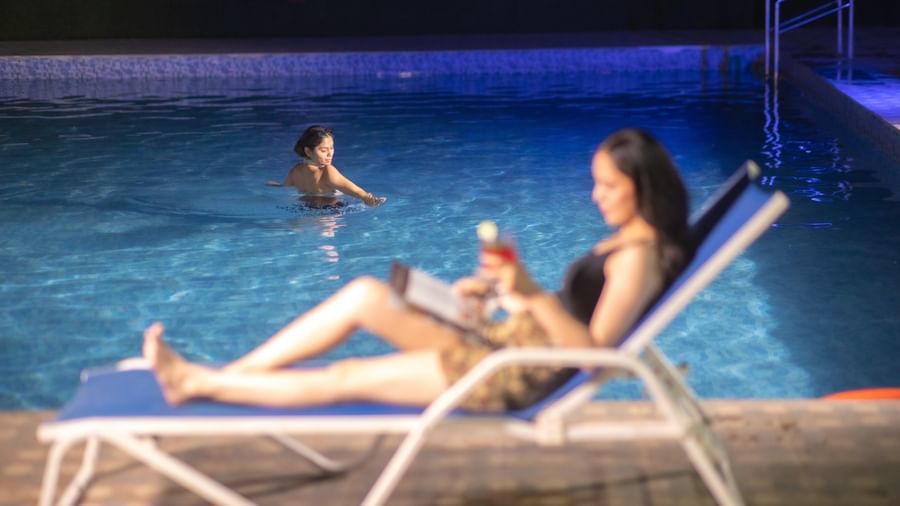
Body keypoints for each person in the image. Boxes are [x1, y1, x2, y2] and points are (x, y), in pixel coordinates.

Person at [144, 128, 691, 412]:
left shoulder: (638, 258)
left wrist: (528, 292)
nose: (596, 196)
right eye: (595, 181)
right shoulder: (632, 241)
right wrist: (503, 294)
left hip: (515, 373)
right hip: (507, 341)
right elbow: (571, 318)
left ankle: (198, 383)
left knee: (346, 379)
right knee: (362, 293)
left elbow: (597, 359)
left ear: (644, 187)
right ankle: (231, 374)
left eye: (609, 186)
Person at [267, 125, 386, 207]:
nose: (330, 154)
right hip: (330, 211)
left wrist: (273, 184)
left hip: (303, 208)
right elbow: (357, 192)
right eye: (324, 150)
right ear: (308, 151)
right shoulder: (328, 172)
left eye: (332, 148)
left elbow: (284, 187)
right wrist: (369, 199)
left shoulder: (295, 171)